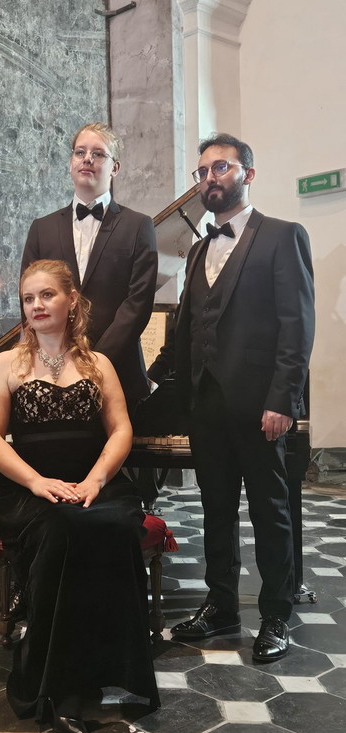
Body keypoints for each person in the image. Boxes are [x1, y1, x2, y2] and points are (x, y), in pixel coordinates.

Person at [148, 133, 315, 661]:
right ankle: (220, 606)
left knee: (270, 512)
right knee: (215, 510)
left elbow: (297, 327)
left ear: (248, 174)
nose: (209, 178)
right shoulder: (199, 249)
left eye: (220, 167)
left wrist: (283, 400)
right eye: (202, 172)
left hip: (262, 407)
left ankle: (276, 615)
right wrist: (151, 379)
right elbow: (187, 328)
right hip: (206, 407)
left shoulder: (283, 235)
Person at [0, 259, 159, 733]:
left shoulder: (99, 364)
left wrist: (97, 479)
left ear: (71, 300)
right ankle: (64, 690)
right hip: (27, 488)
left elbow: (120, 429)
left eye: (47, 295)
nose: (36, 306)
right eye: (28, 298)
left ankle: (115, 669)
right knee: (64, 530)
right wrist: (37, 481)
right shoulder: (5, 364)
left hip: (98, 483)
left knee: (111, 527)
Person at [21, 122, 158, 415]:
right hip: (52, 374)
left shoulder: (138, 226)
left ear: (115, 167)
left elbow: (138, 303)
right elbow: (29, 299)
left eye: (98, 154)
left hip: (119, 371)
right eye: (80, 152)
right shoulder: (41, 229)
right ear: (71, 163)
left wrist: (95, 362)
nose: (87, 159)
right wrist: (61, 361)